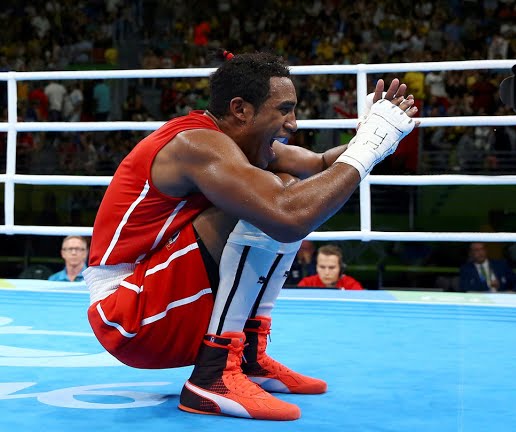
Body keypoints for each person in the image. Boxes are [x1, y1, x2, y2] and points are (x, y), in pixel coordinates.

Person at [83, 50, 417, 421]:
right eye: (284, 109)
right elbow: (288, 218)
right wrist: (368, 148)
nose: (293, 123)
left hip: (160, 299)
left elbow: (322, 164)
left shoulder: (241, 146)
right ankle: (212, 376)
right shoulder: (197, 145)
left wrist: (374, 136)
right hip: (127, 313)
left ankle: (248, 357)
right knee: (270, 201)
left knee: (283, 186)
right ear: (240, 109)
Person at [297, 244, 363, 290]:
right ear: (316, 267)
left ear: (340, 268)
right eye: (322, 267)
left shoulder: (351, 285)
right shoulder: (306, 284)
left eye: (332, 267)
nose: (326, 273)